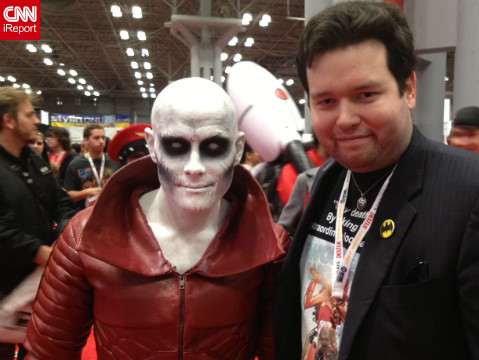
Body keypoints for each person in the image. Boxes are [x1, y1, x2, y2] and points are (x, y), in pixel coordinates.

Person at [272, 3, 479, 359]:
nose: (345, 119)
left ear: (408, 88)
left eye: (366, 95)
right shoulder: (325, 183)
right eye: (326, 101)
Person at [24, 77, 289, 359]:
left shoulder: (267, 244)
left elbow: (278, 350)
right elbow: (48, 351)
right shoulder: (85, 238)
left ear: (237, 149)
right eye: (176, 146)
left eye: (214, 148)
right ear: (152, 145)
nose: (194, 167)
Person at [0, 87, 76, 359]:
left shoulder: (34, 159)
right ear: (8, 121)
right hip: (5, 283)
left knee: (40, 348)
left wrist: (66, 232)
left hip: (39, 282)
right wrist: (38, 251)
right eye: (30, 114)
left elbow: (61, 200)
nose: (36, 121)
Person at [64, 124, 120, 209]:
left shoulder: (114, 161)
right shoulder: (75, 164)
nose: (101, 141)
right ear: (86, 140)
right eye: (96, 138)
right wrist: (86, 192)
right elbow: (68, 194)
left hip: (110, 211)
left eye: (103, 137)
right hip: (85, 214)